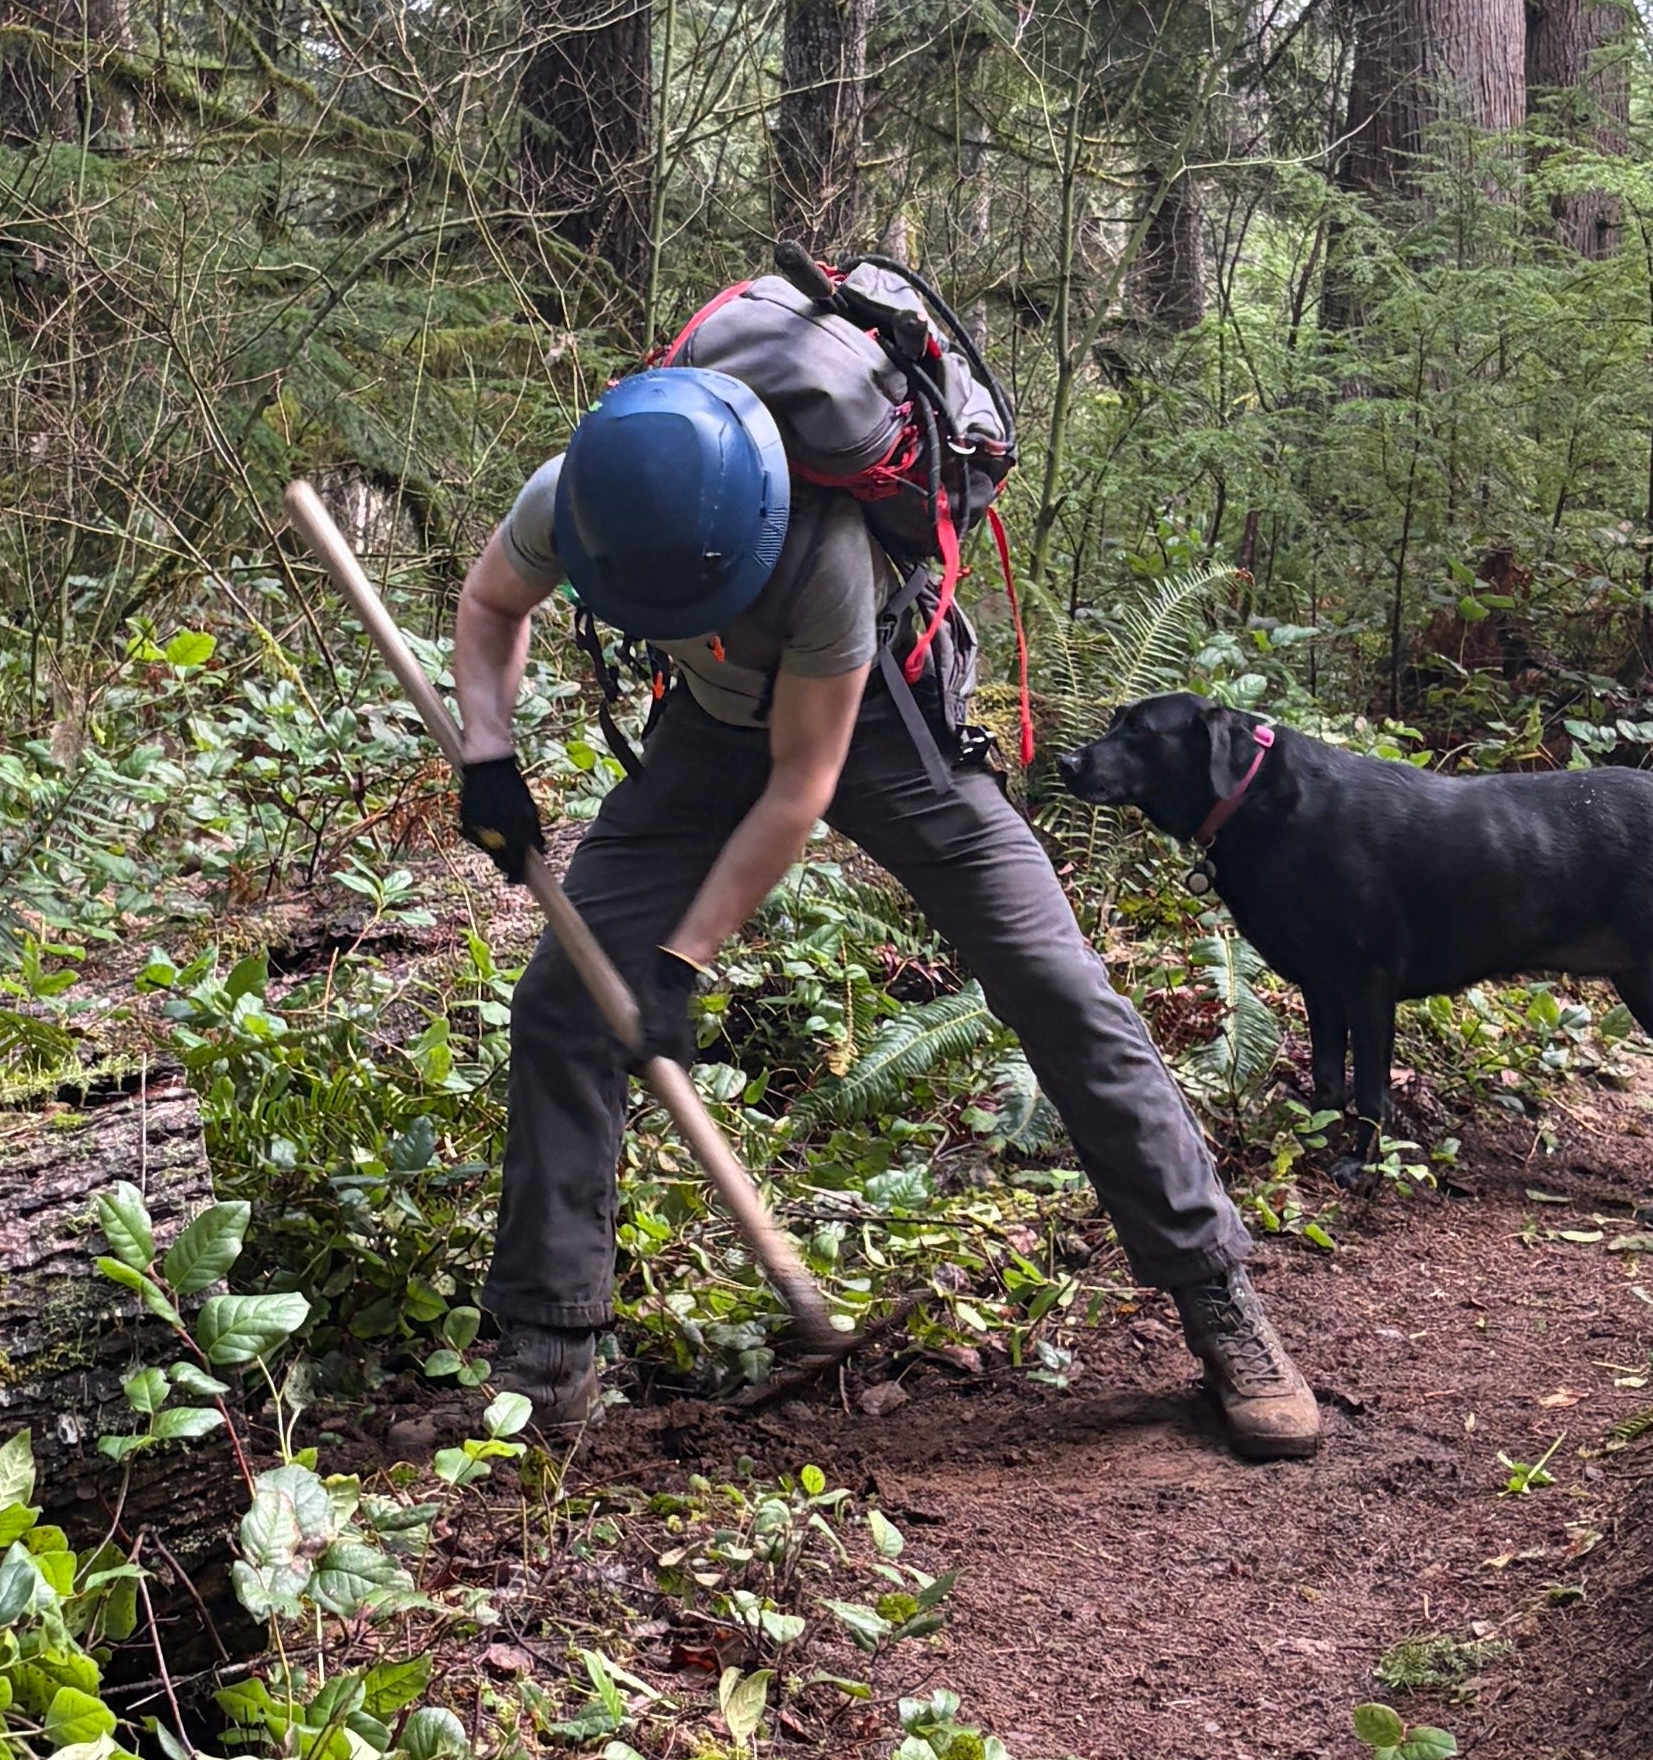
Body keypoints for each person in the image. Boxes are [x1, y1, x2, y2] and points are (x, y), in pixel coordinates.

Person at [444, 357, 1322, 1458]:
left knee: (1054, 979)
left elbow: (798, 790)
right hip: (706, 728)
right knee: (564, 999)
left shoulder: (822, 552)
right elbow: (489, 600)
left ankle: (1214, 1292)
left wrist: (681, 962)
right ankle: (547, 1347)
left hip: (882, 723)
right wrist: (488, 751)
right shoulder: (578, 495)